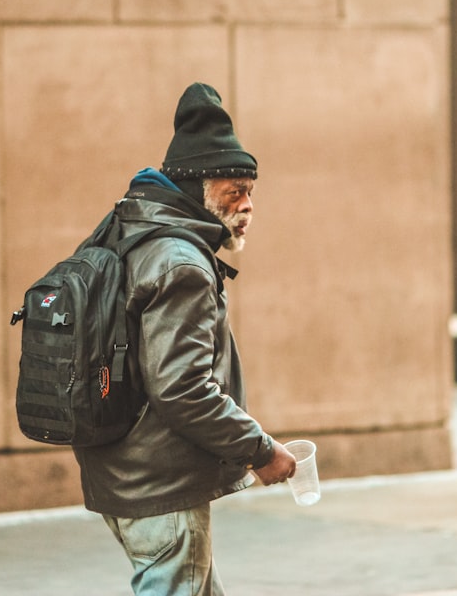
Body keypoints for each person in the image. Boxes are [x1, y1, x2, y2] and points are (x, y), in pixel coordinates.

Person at [73, 83, 297, 595]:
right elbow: (184, 389)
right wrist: (260, 450)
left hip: (123, 467)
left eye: (251, 191)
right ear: (195, 187)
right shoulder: (180, 263)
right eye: (233, 191)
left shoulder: (132, 226)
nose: (247, 206)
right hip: (161, 484)